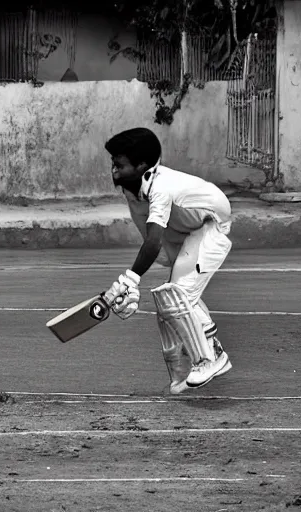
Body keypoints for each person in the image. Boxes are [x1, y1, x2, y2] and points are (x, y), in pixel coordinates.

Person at [103, 127, 233, 394]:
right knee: (169, 301)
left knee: (177, 295)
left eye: (120, 164)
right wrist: (116, 291)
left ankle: (210, 358)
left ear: (142, 165)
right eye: (113, 163)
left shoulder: (160, 187)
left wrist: (129, 280)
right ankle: (178, 375)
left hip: (211, 226)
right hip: (182, 231)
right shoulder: (134, 190)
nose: (114, 170)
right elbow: (153, 240)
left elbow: (152, 241)